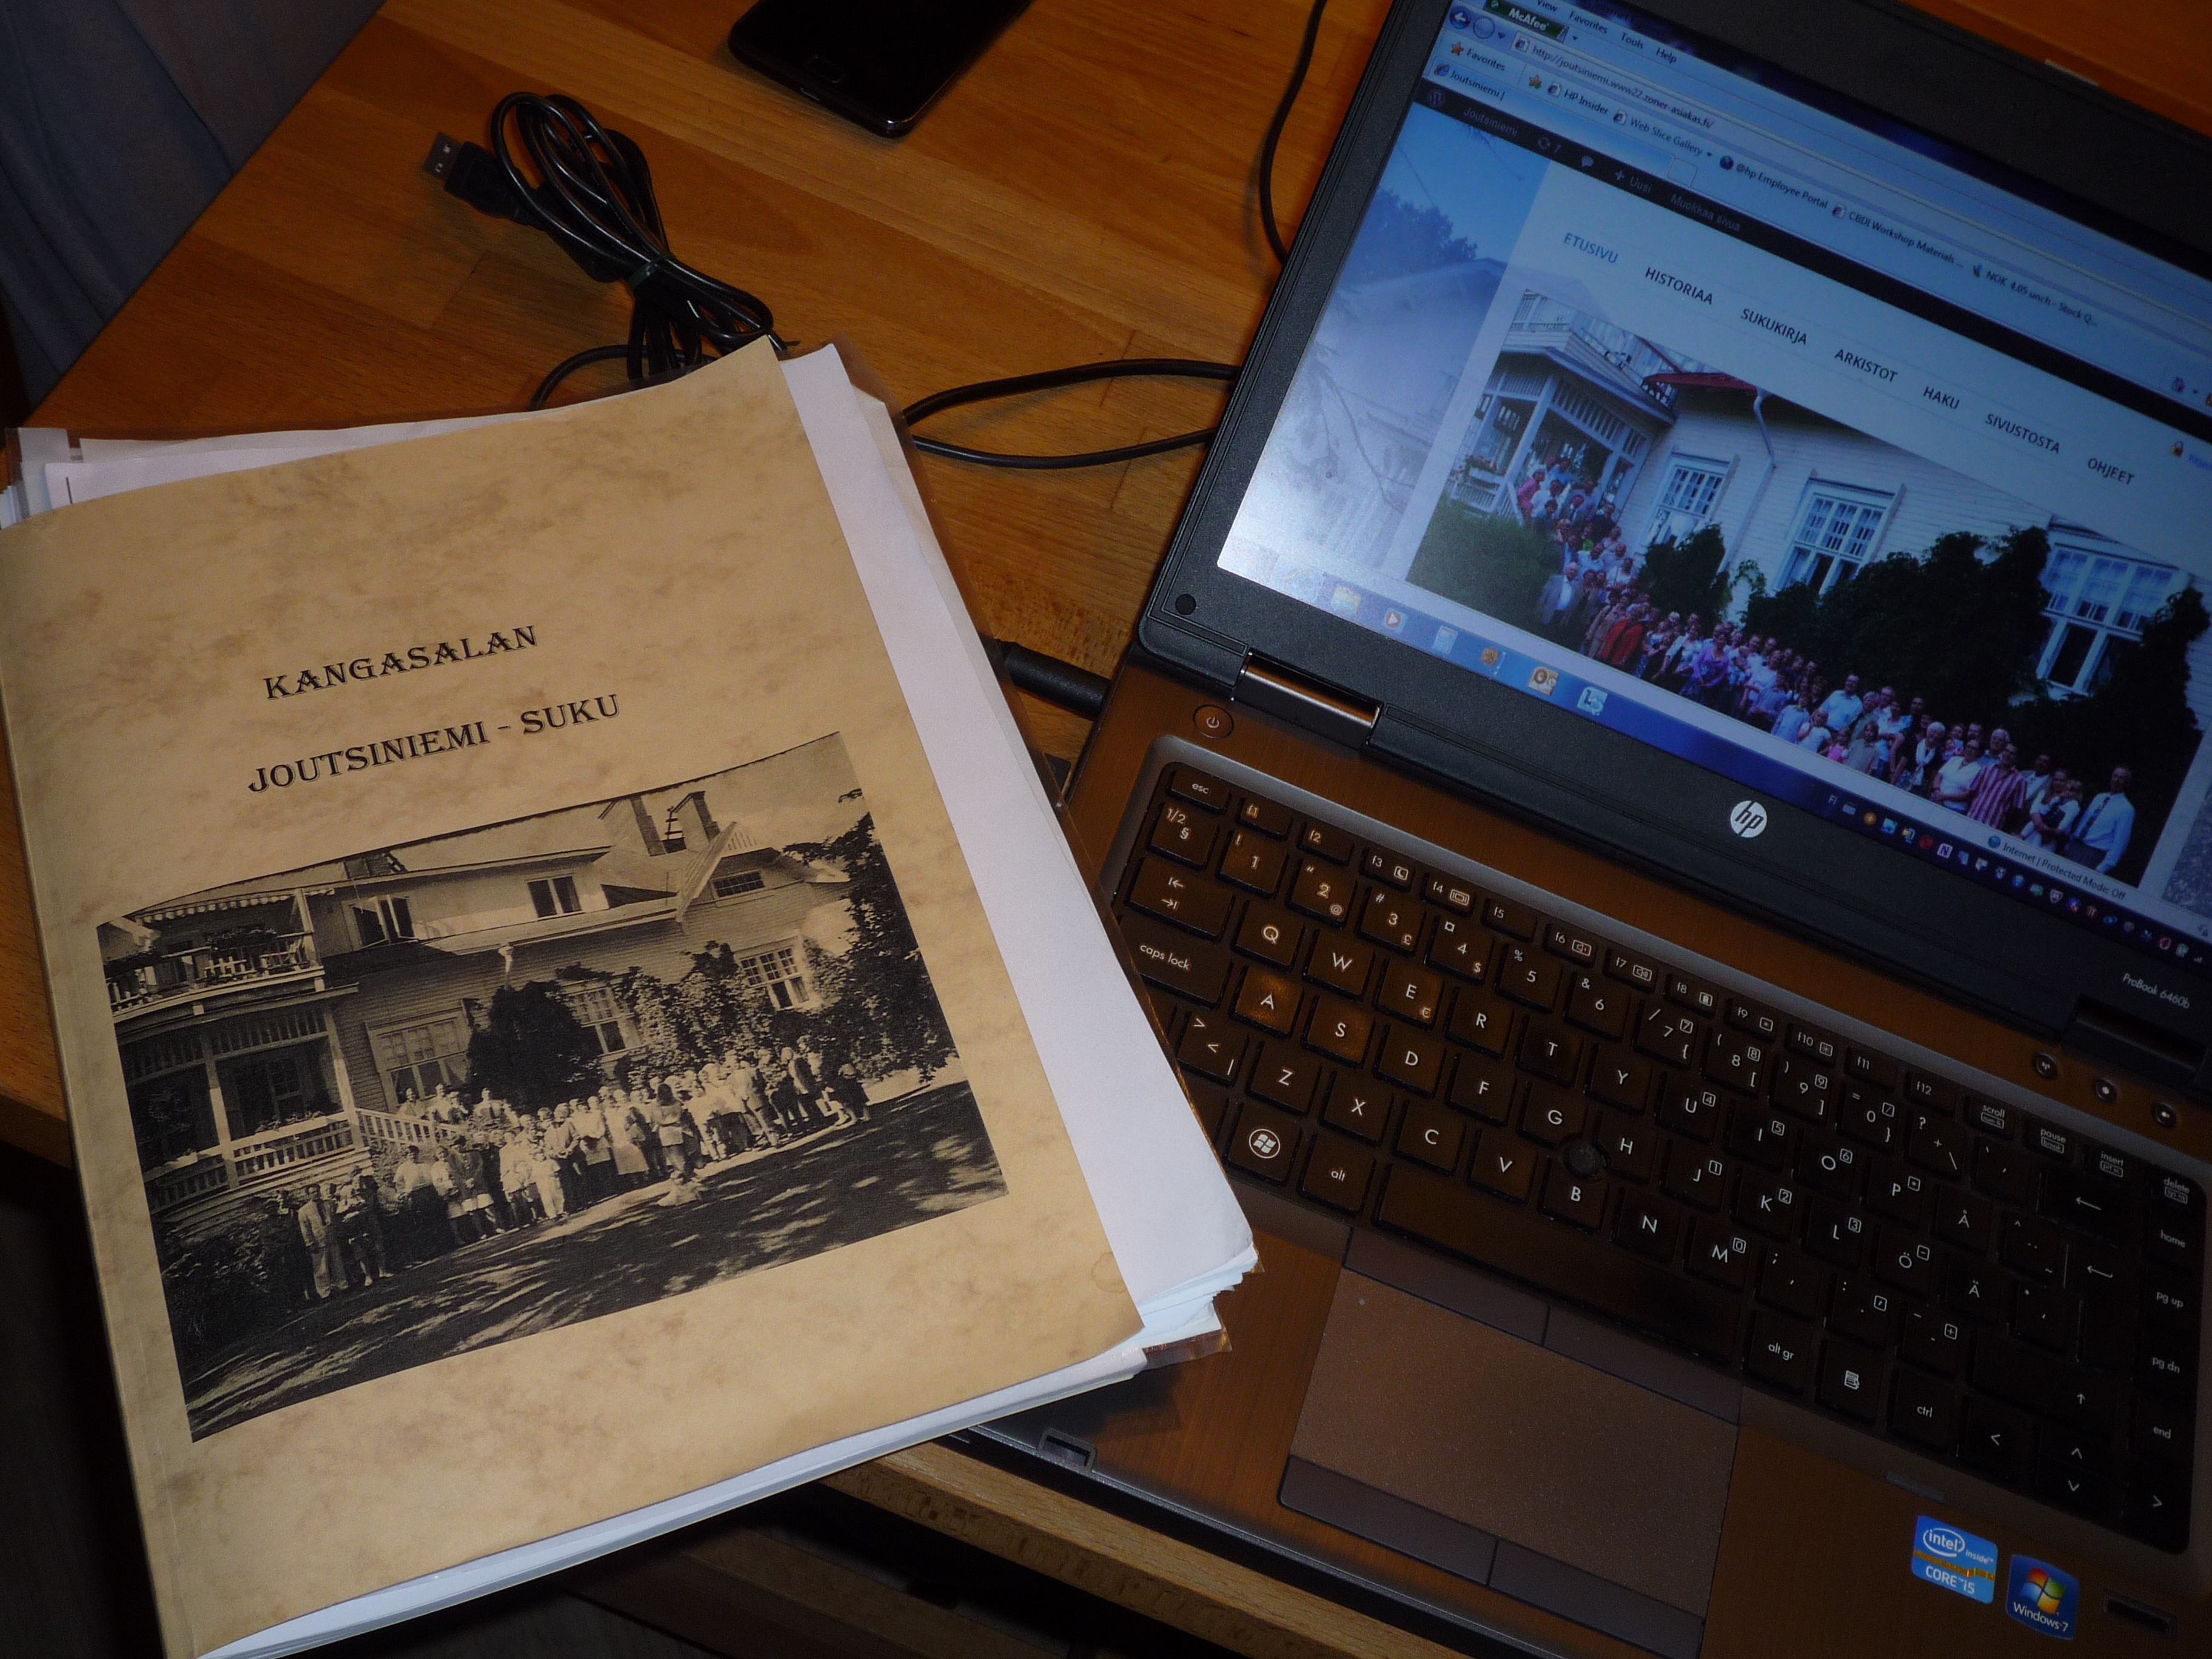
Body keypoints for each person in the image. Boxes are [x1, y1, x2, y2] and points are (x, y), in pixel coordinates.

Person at [2065, 767, 2137, 874]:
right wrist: (2070, 843)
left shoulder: (2127, 809)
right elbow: (2084, 821)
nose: (2117, 781)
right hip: (2075, 847)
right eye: (2115, 776)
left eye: (2121, 778)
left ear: (2127, 783)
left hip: (2093, 853)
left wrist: (2104, 867)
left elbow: (2120, 842)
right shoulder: (2099, 797)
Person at [1966, 743, 2029, 828]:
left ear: (2017, 758)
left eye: (2012, 753)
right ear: (2002, 752)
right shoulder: (1987, 769)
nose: (2008, 755)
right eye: (2006, 751)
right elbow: (1972, 792)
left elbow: (2016, 810)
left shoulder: (2020, 781)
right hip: (1972, 818)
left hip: (1993, 827)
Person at [295, 1184, 337, 1299]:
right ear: (308, 1195)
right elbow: (305, 1229)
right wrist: (310, 1243)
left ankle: (342, 1285)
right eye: (313, 1192)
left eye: (317, 1191)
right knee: (321, 1268)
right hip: (318, 1241)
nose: (316, 1194)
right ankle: (325, 1292)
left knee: (337, 1263)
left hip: (331, 1237)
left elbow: (334, 1219)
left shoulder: (329, 1204)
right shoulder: (304, 1211)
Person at [1931, 739, 1988, 811]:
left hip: (1954, 808)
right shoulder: (1954, 759)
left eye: (1974, 749)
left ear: (1979, 753)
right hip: (1935, 799)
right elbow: (1938, 777)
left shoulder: (1979, 770)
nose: (1970, 750)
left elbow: (1968, 794)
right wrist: (1937, 791)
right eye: (1968, 747)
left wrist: (1944, 797)